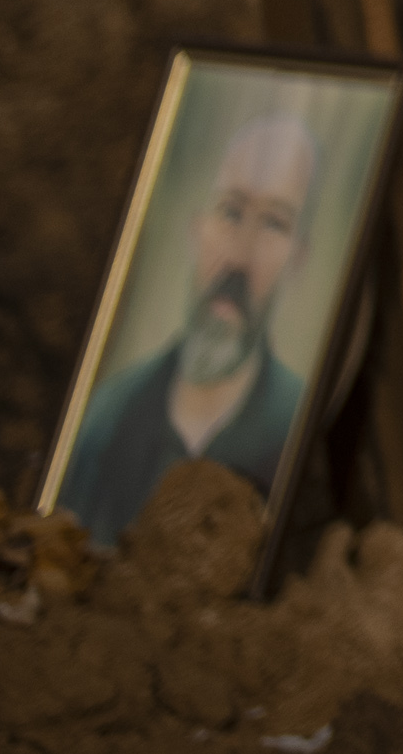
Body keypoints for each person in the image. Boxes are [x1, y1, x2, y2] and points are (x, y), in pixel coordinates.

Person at [55, 103, 328, 539]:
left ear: (299, 257)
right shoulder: (105, 419)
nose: (239, 255)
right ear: (196, 228)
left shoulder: (300, 432)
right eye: (231, 212)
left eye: (274, 224)